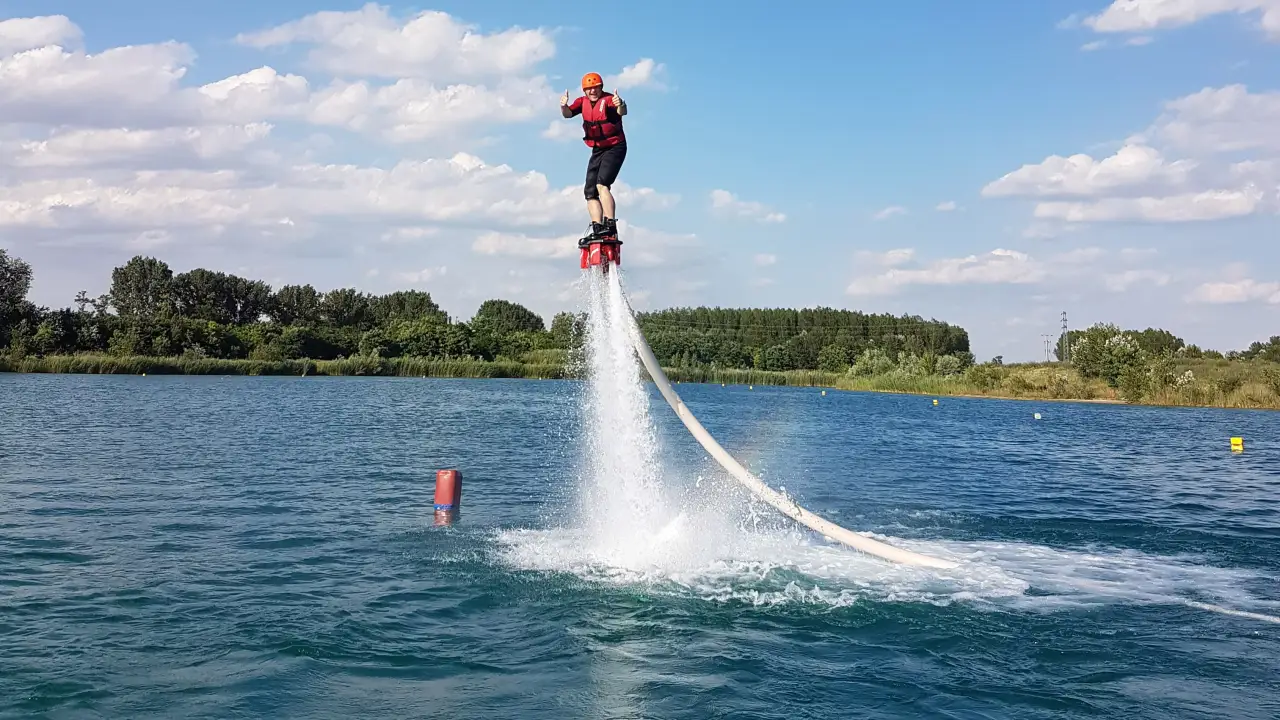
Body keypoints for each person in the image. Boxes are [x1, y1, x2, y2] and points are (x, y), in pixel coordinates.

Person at [561, 72, 627, 247]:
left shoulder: (609, 100)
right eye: (589, 89)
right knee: (590, 191)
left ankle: (610, 226)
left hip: (615, 146)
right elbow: (567, 114)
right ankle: (597, 228)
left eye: (596, 88)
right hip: (598, 149)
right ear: (584, 90)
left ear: (601, 88)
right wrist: (563, 105)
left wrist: (621, 104)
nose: (593, 91)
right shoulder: (582, 102)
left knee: (602, 184)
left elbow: (622, 112)